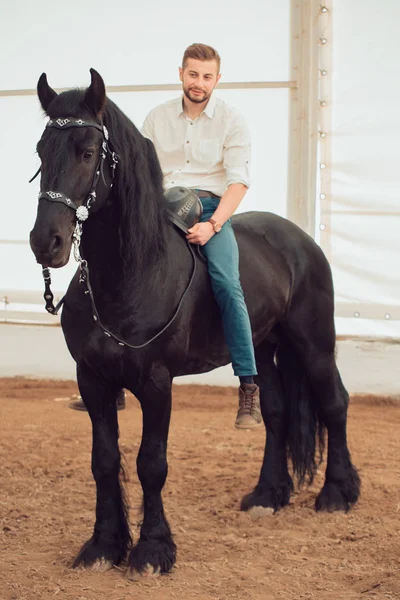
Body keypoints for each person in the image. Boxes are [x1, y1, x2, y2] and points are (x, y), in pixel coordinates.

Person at [141, 43, 261, 429]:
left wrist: (213, 225)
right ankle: (103, 369)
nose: (199, 83)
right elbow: (142, 176)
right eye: (193, 74)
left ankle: (248, 385)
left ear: (217, 79)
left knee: (228, 284)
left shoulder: (232, 119)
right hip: (161, 208)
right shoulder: (157, 118)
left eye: (207, 76)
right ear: (181, 73)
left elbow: (238, 181)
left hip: (211, 209)